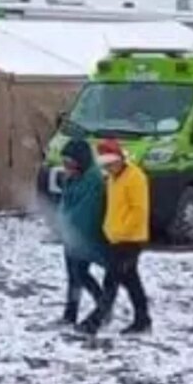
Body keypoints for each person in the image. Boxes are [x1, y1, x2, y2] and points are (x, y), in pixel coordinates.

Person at [79, 139, 151, 335]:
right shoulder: (113, 179)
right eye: (105, 166)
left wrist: (120, 232)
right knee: (130, 280)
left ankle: (95, 321)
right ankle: (143, 320)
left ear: (119, 160)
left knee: (111, 281)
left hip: (130, 240)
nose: (108, 169)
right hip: (115, 238)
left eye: (110, 164)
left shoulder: (135, 178)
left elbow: (139, 210)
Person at [56, 139, 108, 325]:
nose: (66, 166)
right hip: (71, 237)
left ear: (81, 161)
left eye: (70, 162)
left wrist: (68, 228)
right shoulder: (72, 178)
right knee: (73, 277)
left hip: (85, 237)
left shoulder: (93, 181)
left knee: (80, 274)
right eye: (65, 162)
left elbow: (85, 213)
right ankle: (70, 315)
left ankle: (103, 305)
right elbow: (65, 204)